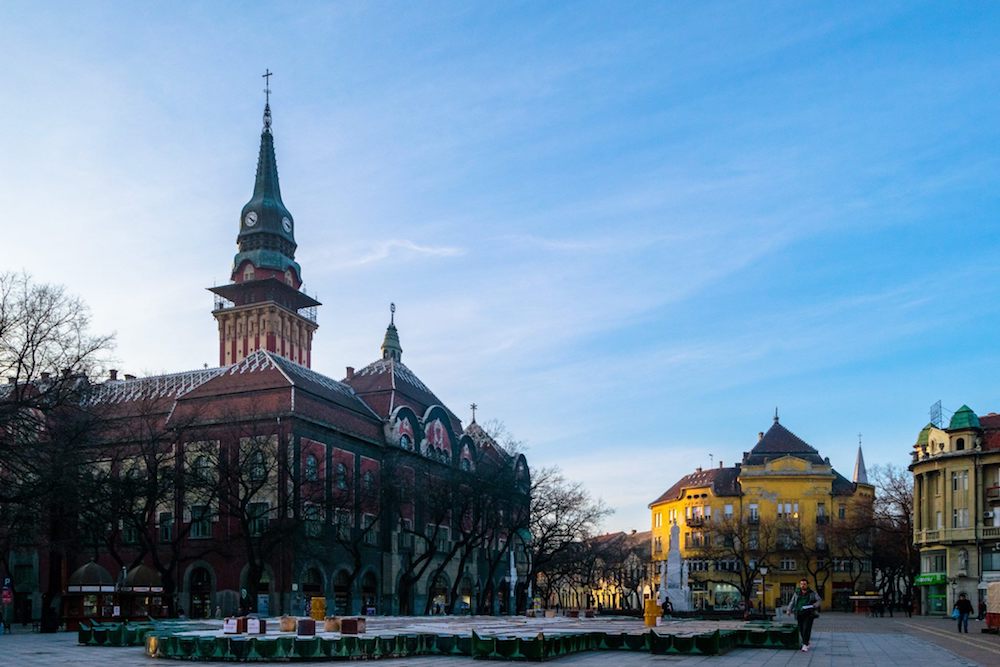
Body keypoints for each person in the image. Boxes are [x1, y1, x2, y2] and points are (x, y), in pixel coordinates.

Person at [785, 578, 821, 653]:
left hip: (809, 614)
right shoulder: (797, 592)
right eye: (801, 584)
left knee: (806, 629)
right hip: (799, 613)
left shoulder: (812, 593)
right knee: (801, 629)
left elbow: (819, 600)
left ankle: (804, 645)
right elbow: (792, 601)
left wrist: (814, 605)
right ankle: (806, 642)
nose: (802, 585)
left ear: (807, 585)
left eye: (804, 584)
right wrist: (789, 609)